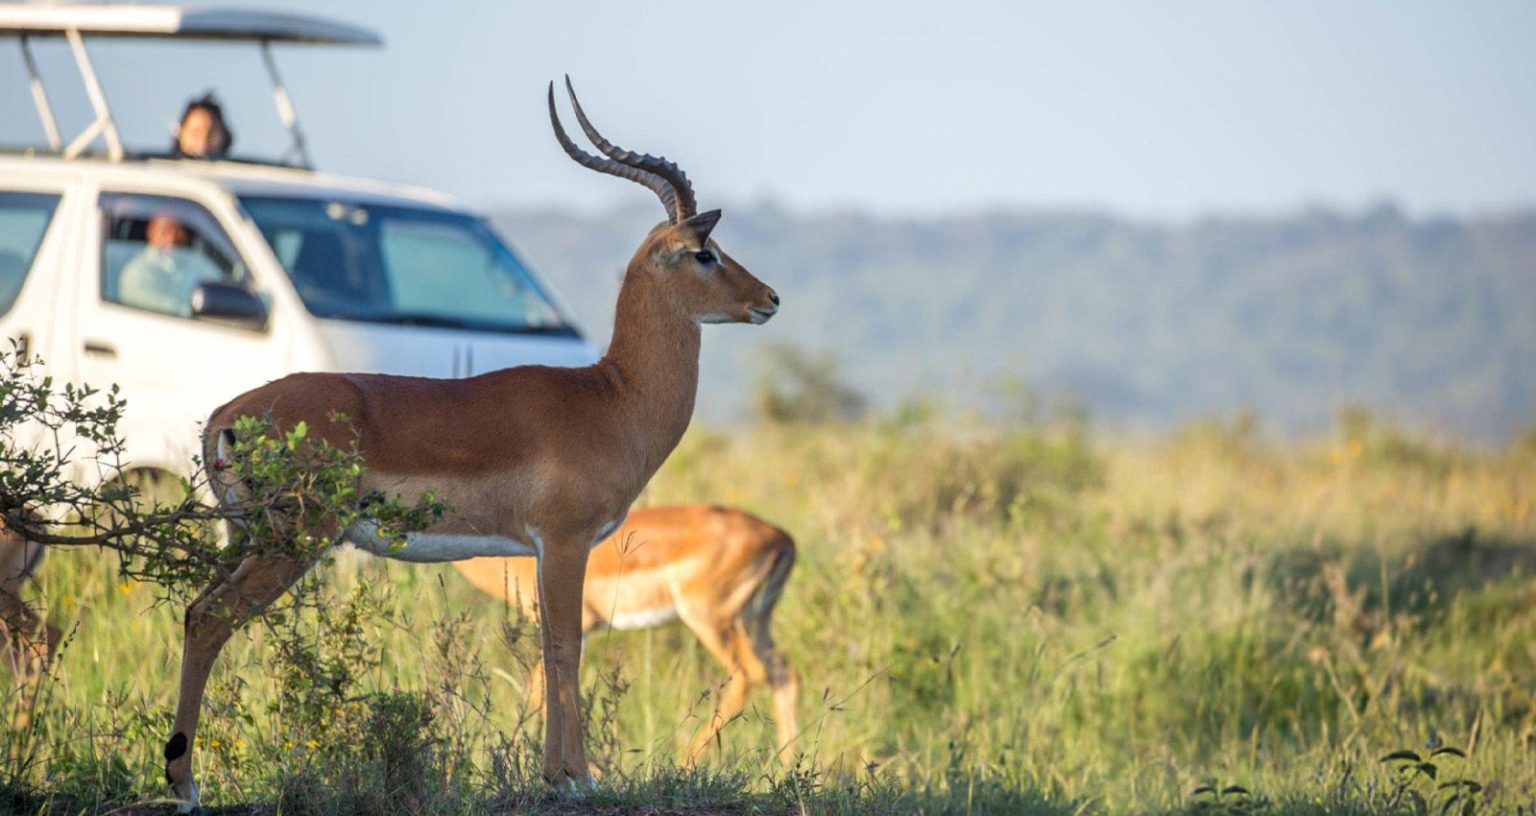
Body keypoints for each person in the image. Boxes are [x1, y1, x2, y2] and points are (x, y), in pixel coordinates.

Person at [117, 213, 213, 316]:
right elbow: (173, 313)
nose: (172, 239)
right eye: (164, 231)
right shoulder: (138, 273)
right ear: (151, 232)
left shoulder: (192, 262)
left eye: (179, 233)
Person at [172, 93, 234, 160]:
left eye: (211, 132)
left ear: (224, 135)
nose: (204, 138)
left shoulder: (237, 170)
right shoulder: (161, 168)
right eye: (196, 132)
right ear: (179, 133)